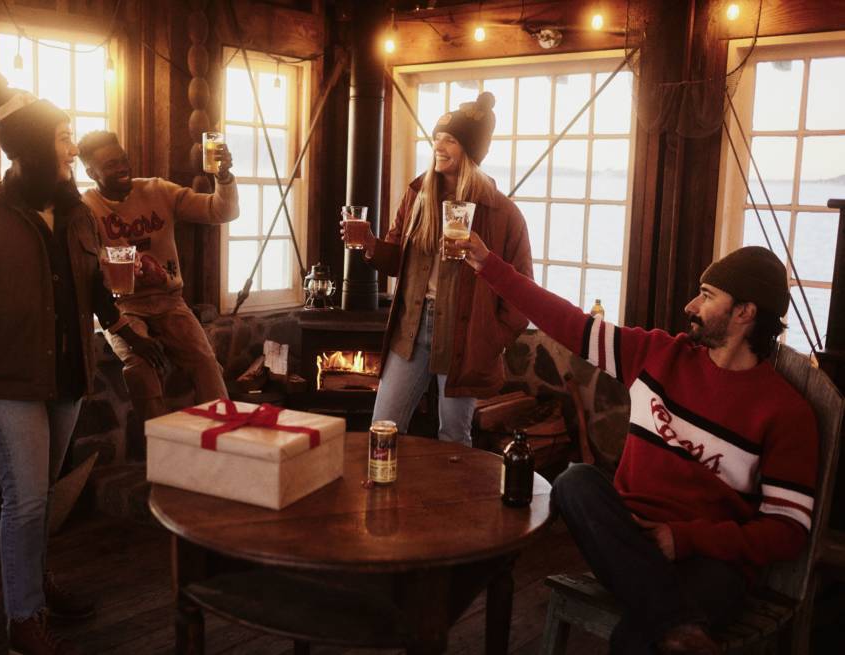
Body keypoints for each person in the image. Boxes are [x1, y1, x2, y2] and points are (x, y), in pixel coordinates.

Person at [463, 237, 818, 654]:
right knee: (575, 482)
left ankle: (673, 625)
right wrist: (489, 265)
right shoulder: (656, 354)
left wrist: (683, 538)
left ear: (744, 312)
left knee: (637, 636)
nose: (690, 306)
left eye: (707, 296)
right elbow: (567, 322)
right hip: (625, 538)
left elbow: (787, 531)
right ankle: (678, 626)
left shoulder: (785, 413)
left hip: (711, 561)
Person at [0, 72, 158, 654]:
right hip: (6, 383)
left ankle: (32, 582)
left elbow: (94, 285)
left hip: (66, 378)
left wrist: (125, 328)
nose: (72, 148)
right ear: (32, 146)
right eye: (61, 137)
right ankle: (23, 619)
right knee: (28, 499)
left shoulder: (75, 211)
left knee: (43, 496)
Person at [341, 91, 532, 446]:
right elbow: (396, 261)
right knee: (383, 427)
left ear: (471, 151)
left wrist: (490, 338)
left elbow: (521, 293)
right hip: (410, 331)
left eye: (451, 140)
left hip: (464, 340)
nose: (439, 147)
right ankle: (385, 484)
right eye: (437, 138)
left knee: (454, 437)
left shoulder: (502, 213)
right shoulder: (417, 196)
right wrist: (369, 243)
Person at [77, 130, 239, 423]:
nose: (123, 167)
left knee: (205, 361)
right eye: (111, 165)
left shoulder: (158, 191)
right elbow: (86, 266)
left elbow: (221, 211)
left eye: (123, 159)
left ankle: (222, 433)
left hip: (170, 300)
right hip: (122, 306)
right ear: (91, 173)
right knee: (140, 368)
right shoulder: (85, 208)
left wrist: (224, 177)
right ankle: (158, 442)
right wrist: (110, 265)